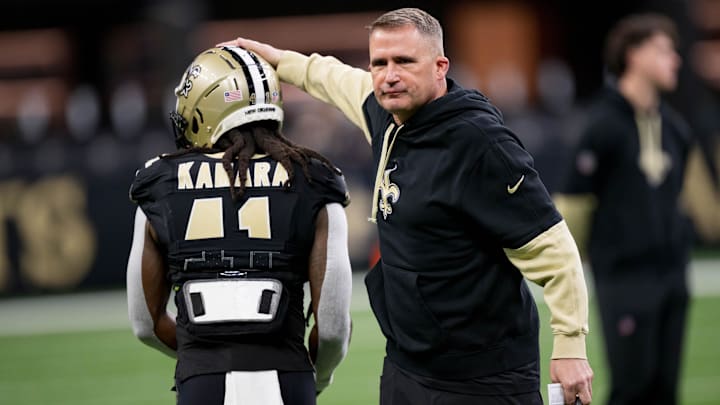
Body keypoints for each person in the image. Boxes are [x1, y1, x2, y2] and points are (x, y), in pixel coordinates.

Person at [220, 7, 593, 405]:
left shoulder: (480, 144)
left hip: (483, 378)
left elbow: (554, 249)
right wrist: (276, 59)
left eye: (403, 61)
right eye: (379, 63)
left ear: (439, 67)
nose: (389, 74)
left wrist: (570, 347)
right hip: (406, 369)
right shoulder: (387, 113)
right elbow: (331, 77)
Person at [125, 46, 353, 405]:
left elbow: (145, 324)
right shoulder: (315, 179)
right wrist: (318, 376)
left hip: (201, 383)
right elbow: (333, 329)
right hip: (289, 378)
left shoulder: (160, 183)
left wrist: (201, 356)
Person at [554, 13, 692, 405]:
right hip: (626, 278)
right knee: (633, 387)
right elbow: (572, 204)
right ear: (634, 55)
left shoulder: (675, 128)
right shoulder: (601, 125)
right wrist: (569, 271)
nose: (675, 60)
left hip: (673, 275)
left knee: (665, 391)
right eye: (664, 50)